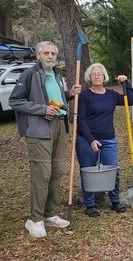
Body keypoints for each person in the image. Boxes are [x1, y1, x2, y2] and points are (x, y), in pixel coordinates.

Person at [9, 41, 81, 238]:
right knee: (42, 173)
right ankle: (35, 219)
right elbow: (15, 100)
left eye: (53, 53)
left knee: (57, 171)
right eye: (46, 53)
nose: (50, 56)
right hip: (39, 129)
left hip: (59, 126)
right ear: (39, 55)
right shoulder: (30, 74)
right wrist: (42, 109)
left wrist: (70, 95)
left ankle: (51, 214)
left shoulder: (56, 74)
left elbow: (56, 98)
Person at [76, 63, 133, 217]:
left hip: (108, 139)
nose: (96, 76)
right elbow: (81, 120)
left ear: (104, 77)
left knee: (113, 169)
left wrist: (125, 83)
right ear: (89, 77)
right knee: (88, 171)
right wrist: (91, 140)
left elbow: (131, 100)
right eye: (93, 74)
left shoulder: (111, 95)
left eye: (99, 74)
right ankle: (90, 204)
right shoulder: (84, 96)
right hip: (86, 139)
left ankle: (114, 201)